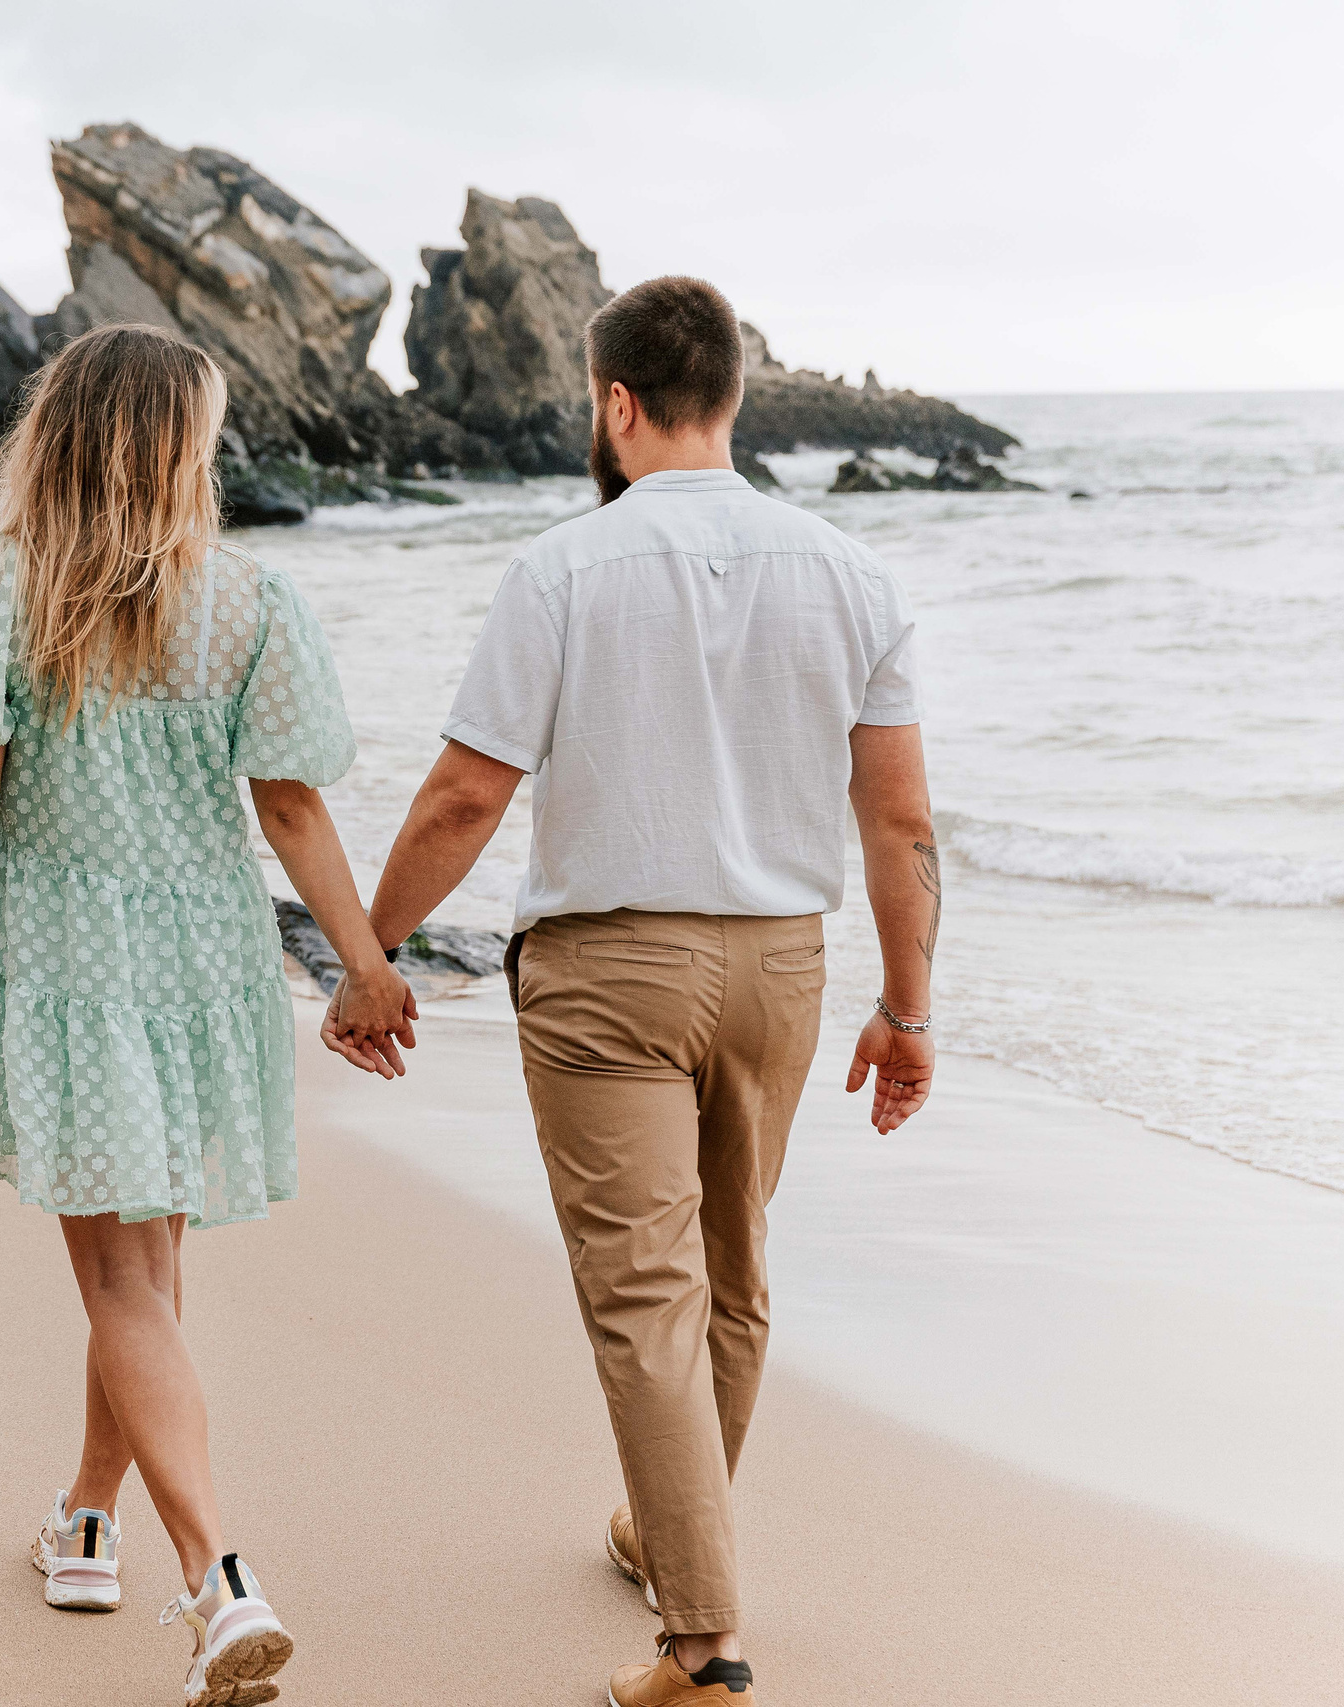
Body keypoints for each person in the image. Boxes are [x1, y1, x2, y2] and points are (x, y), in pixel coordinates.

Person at [325, 276, 942, 1707]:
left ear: (614, 402)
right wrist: (908, 1013)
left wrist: (372, 955)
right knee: (732, 1276)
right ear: (732, 393)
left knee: (647, 1299)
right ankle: (669, 1528)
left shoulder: (564, 568)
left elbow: (467, 794)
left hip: (610, 974)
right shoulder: (854, 572)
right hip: (783, 967)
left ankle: (706, 1645)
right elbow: (902, 824)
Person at [0, 321, 411, 1707]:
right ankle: (84, 1520)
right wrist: (362, 965)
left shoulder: (8, 584)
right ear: (183, 448)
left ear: (57, 437)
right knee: (153, 1278)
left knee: (124, 1281)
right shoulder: (250, 600)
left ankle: (216, 1579)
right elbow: (292, 807)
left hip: (71, 955)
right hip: (203, 961)